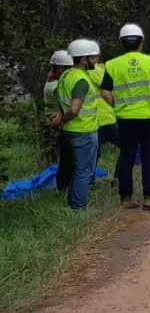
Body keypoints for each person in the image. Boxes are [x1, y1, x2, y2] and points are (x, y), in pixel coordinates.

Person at [100, 23, 150, 209]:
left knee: (127, 157)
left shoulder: (112, 65)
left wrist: (117, 105)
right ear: (141, 42)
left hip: (125, 119)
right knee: (149, 157)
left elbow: (105, 91)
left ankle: (126, 198)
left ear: (122, 43)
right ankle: (149, 198)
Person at [49, 39, 101, 211]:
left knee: (77, 169)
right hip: (83, 130)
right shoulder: (81, 80)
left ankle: (73, 202)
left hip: (71, 131)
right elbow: (75, 109)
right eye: (92, 58)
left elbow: (59, 101)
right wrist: (64, 119)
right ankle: (78, 207)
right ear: (83, 59)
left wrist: (61, 121)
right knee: (84, 171)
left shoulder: (66, 75)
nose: (95, 61)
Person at [43, 50, 76, 192]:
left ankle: (65, 186)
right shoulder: (56, 87)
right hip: (61, 124)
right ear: (59, 69)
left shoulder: (52, 82)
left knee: (68, 157)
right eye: (67, 68)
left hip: (60, 122)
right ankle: (64, 187)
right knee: (68, 158)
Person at [88, 50, 119, 179]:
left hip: (95, 118)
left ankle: (90, 182)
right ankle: (119, 178)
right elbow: (109, 88)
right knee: (127, 145)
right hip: (104, 117)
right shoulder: (95, 70)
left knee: (94, 153)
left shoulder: (98, 69)